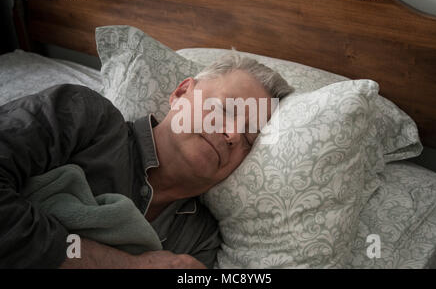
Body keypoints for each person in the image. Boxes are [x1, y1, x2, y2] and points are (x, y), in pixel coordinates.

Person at [0, 52, 294, 268]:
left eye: (248, 137)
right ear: (181, 93)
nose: (231, 133)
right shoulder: (85, 117)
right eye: (227, 110)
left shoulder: (198, 243)